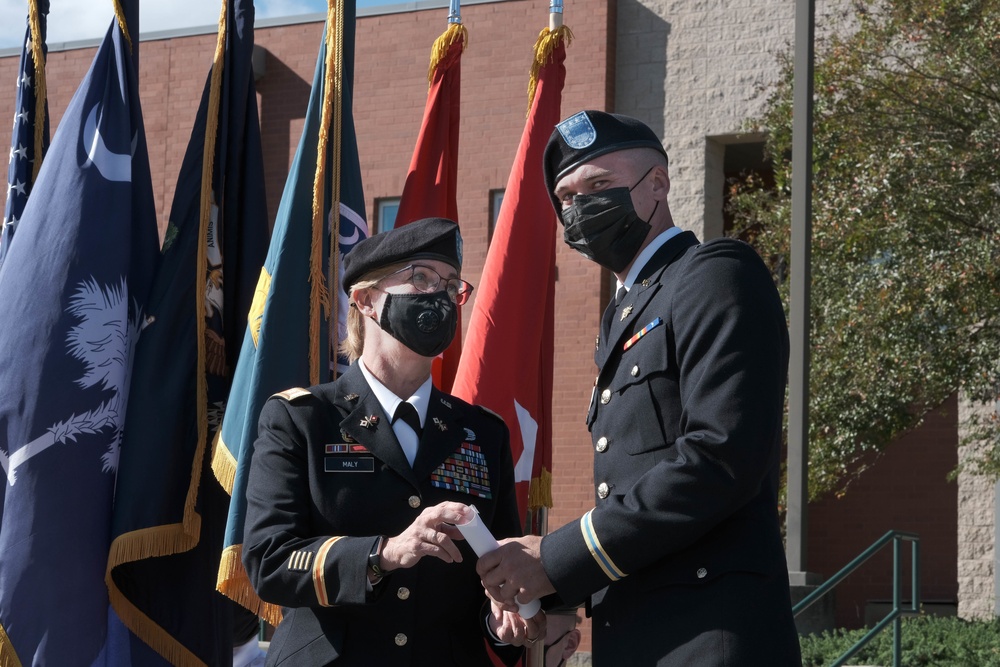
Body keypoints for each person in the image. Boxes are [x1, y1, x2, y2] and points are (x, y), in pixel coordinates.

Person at [476, 111, 803, 665]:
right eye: (567, 197)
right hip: (639, 635)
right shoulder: (625, 311)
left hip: (709, 637)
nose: (580, 207)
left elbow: (720, 457)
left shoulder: (714, 274)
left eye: (599, 185)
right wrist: (549, 591)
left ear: (658, 182)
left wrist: (559, 555)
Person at [242, 217, 543, 666]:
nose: (438, 296)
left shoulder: (482, 432)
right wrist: (383, 554)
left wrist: (502, 618)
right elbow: (269, 560)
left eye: (449, 285)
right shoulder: (302, 419)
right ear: (365, 300)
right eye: (420, 278)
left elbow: (493, 576)